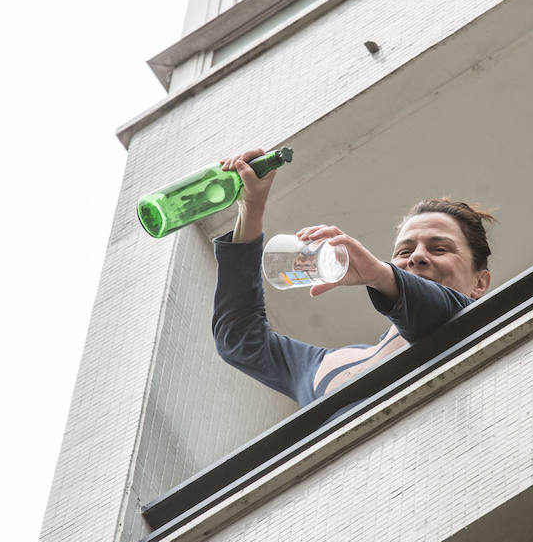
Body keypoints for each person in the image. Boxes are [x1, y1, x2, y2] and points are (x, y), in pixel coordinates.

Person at [212, 148, 496, 407]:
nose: (416, 257)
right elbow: (240, 340)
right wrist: (251, 207)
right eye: (404, 250)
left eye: (440, 248)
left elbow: (437, 310)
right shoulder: (327, 365)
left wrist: (379, 274)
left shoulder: (483, 327)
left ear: (480, 284)